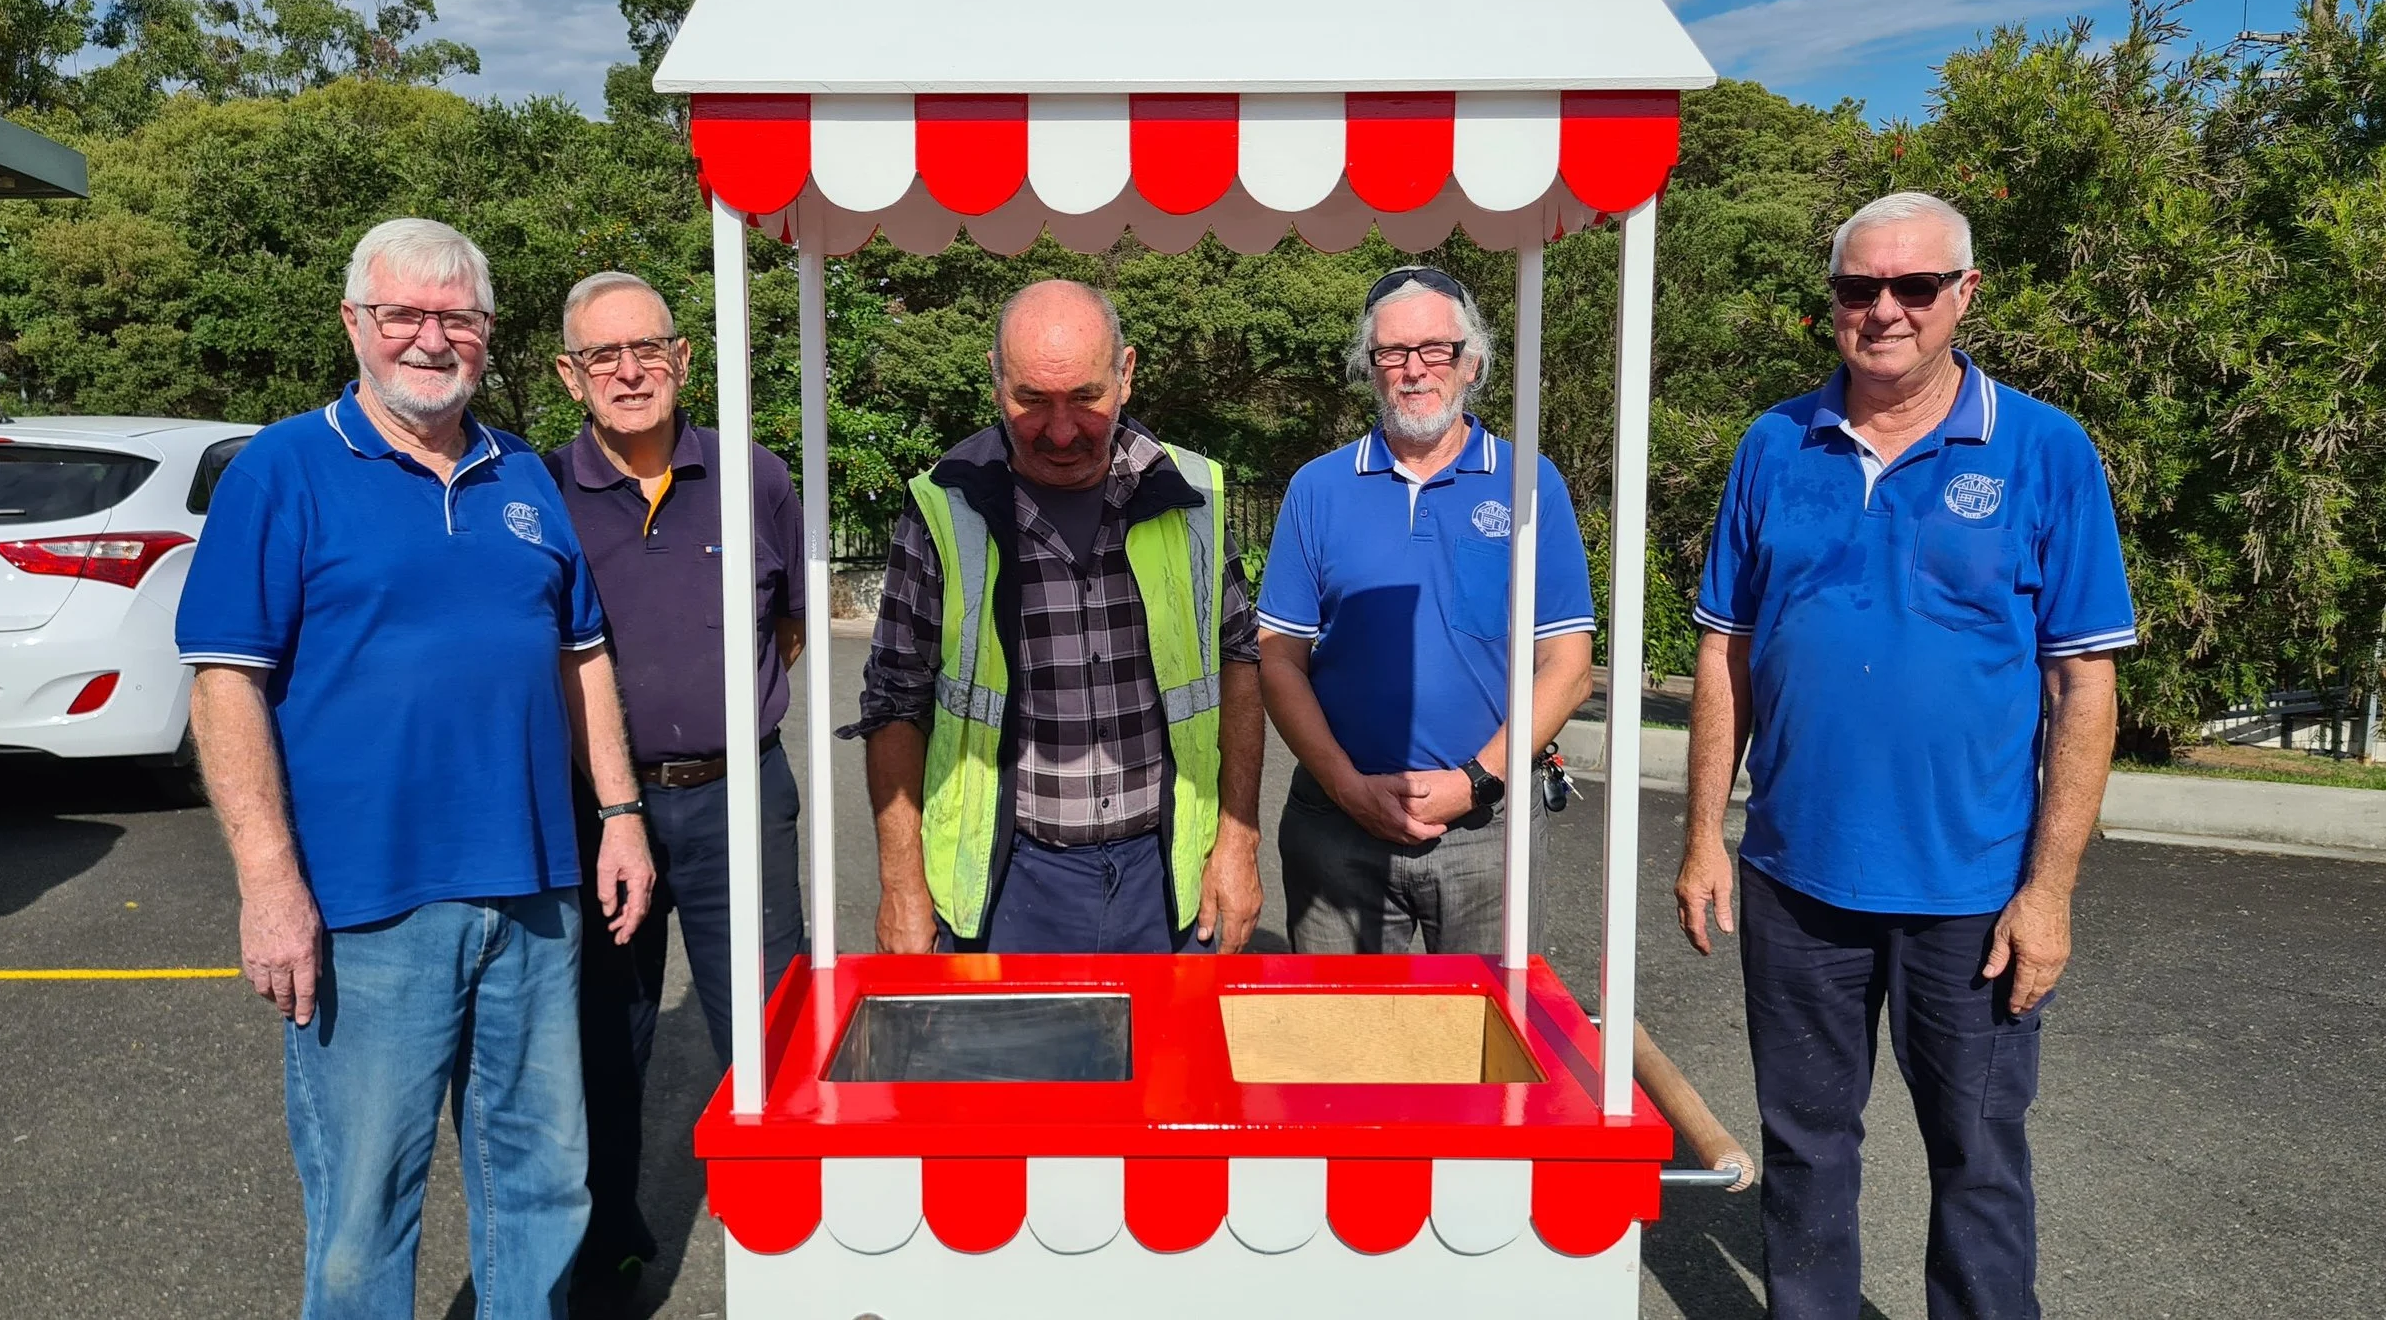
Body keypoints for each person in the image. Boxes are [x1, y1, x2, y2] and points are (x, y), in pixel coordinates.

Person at [177, 217, 656, 1319]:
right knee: (363, 1210)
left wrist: (620, 814)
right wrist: (268, 883)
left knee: (542, 1185)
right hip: (365, 908)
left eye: (459, 318)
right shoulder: (284, 469)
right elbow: (226, 684)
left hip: (535, 896)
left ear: (487, 335)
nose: (431, 339)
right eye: (405, 314)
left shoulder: (521, 474)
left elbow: (580, 654)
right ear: (356, 322)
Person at [1678, 192, 2134, 1320]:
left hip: (1971, 895)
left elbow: (2084, 683)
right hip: (1794, 876)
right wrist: (1702, 838)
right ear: (1831, 300)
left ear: (1963, 295)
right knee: (1805, 1148)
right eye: (1857, 287)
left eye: (1912, 286)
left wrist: (2049, 892)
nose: (1883, 309)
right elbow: (1722, 652)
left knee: (1977, 1160)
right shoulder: (1773, 444)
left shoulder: (2043, 450)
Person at [844, 279, 1263, 954]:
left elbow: (1240, 662)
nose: (1062, 431)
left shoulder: (1195, 495)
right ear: (994, 379)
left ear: (1125, 374)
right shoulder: (944, 507)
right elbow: (894, 702)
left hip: (1170, 877)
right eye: (1032, 400)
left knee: (1172, 1064)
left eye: (1086, 399)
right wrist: (902, 884)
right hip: (1004, 884)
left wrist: (1241, 839)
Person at [543, 270, 806, 1289]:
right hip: (599, 807)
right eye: (603, 355)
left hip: (740, 792)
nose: (629, 369)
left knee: (772, 1016)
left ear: (684, 358)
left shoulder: (755, 476)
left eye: (646, 346)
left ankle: (790, 1230)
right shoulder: (543, 494)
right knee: (605, 1031)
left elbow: (782, 622)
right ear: (572, 376)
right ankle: (609, 1232)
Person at [1256, 265, 1597, 954]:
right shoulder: (1318, 488)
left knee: (1483, 1044)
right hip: (1337, 829)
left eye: (1435, 349)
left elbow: (1567, 666)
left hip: (1487, 830)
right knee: (1348, 1048)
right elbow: (1278, 660)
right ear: (1371, 366)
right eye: (1392, 353)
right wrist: (1348, 787)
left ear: (1471, 363)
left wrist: (1474, 781)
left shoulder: (1531, 480)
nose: (1414, 370)